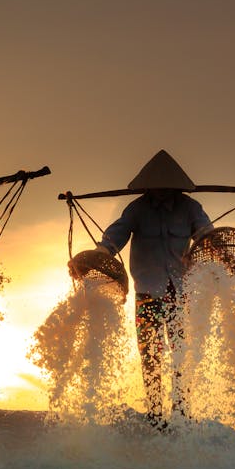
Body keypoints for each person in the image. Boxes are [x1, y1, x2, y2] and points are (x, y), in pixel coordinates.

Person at [96, 150, 213, 430]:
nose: (160, 193)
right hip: (147, 292)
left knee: (181, 352)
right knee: (150, 353)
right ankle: (155, 410)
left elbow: (206, 235)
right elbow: (117, 234)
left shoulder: (190, 208)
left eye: (165, 188)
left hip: (180, 293)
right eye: (155, 188)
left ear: (174, 187)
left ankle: (182, 411)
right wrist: (102, 252)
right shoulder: (138, 209)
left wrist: (211, 246)